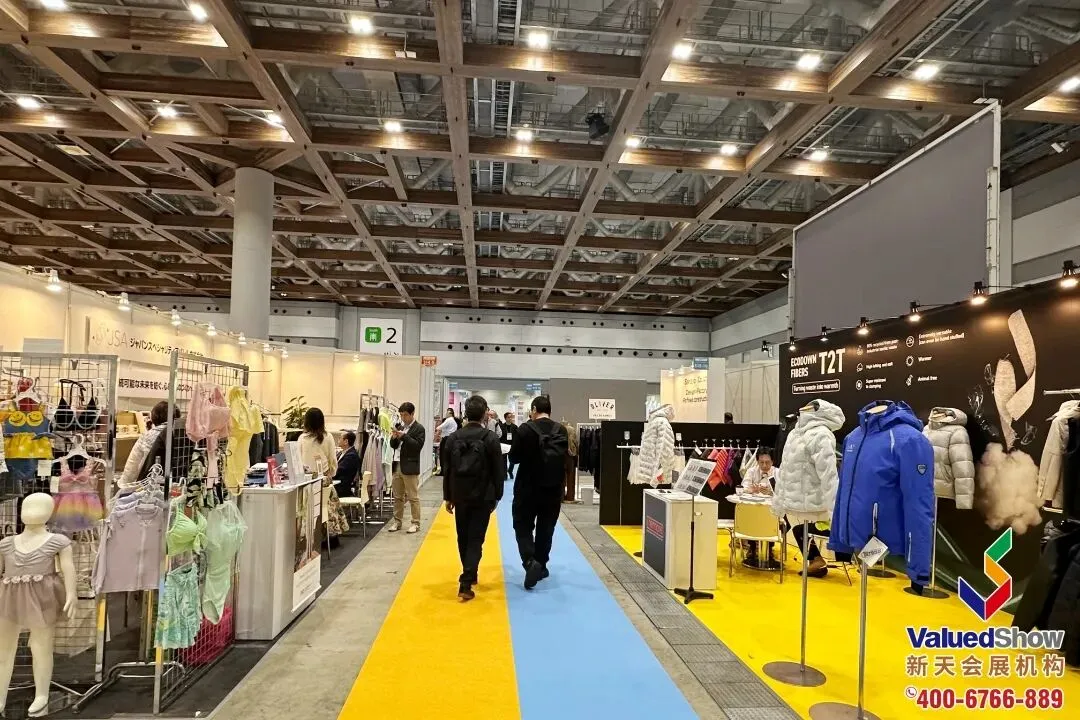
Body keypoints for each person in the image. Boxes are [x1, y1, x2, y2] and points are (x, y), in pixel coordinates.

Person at [442, 395, 505, 601]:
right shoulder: (490, 438)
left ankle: (470, 572)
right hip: (483, 495)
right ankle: (467, 579)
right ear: (485, 413)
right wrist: (497, 495)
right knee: (476, 537)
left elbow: (447, 470)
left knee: (463, 536)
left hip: (459, 495)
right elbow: (498, 470)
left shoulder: (453, 438)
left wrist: (448, 496)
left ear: (466, 414)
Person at [509, 395, 569, 590]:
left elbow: (514, 457)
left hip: (527, 487)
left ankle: (529, 562)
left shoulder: (525, 429)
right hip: (553, 488)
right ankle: (541, 565)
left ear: (534, 409)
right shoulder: (560, 430)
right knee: (546, 527)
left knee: (522, 525)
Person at [300, 408, 350, 538]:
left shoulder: (302, 438)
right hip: (323, 479)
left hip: (306, 481)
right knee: (328, 507)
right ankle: (330, 534)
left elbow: (299, 460)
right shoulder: (328, 437)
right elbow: (332, 459)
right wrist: (331, 473)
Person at [389, 401, 425, 533]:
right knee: (398, 496)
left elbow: (417, 446)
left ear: (412, 414)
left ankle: (415, 523)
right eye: (401, 415)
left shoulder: (419, 428)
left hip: (410, 466)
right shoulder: (399, 426)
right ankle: (397, 521)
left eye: (405, 415)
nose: (403, 418)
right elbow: (393, 446)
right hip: (397, 464)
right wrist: (394, 438)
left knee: (412, 497)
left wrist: (404, 436)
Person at [334, 431, 361, 497]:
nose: (338, 440)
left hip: (341, 487)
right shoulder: (341, 453)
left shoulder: (352, 455)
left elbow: (339, 470)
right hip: (337, 483)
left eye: (340, 438)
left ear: (346, 441)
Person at [499, 412, 518, 478]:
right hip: (504, 445)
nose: (510, 418)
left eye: (511, 417)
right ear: (505, 418)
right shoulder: (501, 426)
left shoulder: (515, 427)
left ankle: (510, 470)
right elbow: (500, 436)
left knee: (512, 459)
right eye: (508, 417)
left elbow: (517, 436)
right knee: (504, 460)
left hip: (512, 445)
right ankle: (505, 474)